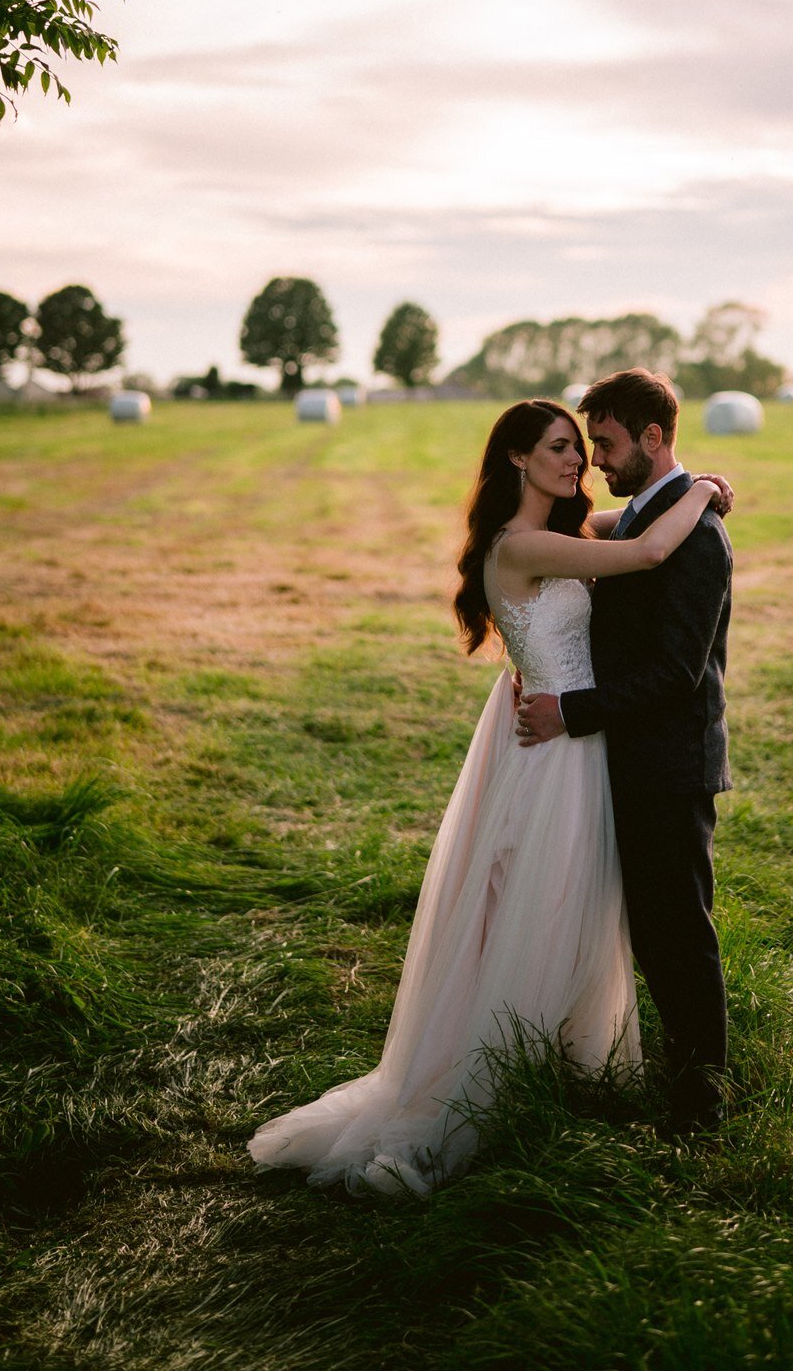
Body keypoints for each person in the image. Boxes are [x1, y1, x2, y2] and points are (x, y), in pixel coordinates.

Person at [247, 396, 727, 1196]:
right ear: (515, 458)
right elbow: (646, 554)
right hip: (557, 751)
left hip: (572, 740)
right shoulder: (524, 545)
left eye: (582, 447)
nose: (577, 462)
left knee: (569, 908)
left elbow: (631, 528)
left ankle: (562, 1066)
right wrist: (705, 493)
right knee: (538, 908)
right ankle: (481, 1090)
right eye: (558, 448)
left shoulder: (563, 537)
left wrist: (686, 490)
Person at [516, 368, 734, 1135]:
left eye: (605, 443)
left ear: (652, 437)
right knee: (650, 928)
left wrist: (569, 711)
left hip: (669, 765)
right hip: (625, 758)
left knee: (677, 930)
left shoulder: (695, 534)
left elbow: (676, 676)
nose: (595, 461)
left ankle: (702, 1099)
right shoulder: (649, 515)